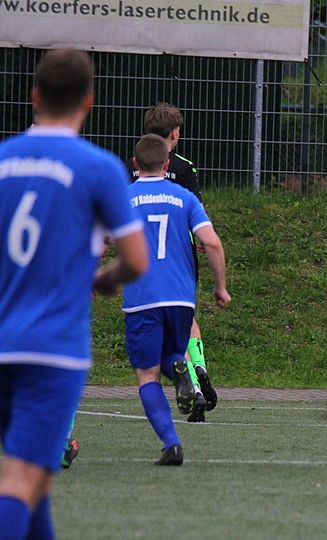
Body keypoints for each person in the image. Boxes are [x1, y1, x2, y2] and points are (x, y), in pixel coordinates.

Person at [0, 48, 148, 540]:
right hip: (51, 348)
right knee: (21, 478)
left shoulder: (3, 160)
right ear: (89, 100)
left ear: (34, 96)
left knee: (36, 479)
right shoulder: (98, 168)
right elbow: (137, 260)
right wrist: (105, 278)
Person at [124, 133, 231, 465]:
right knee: (172, 353)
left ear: (136, 164)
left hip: (142, 297)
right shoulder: (184, 197)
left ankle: (171, 443)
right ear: (167, 163)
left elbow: (99, 241)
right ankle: (183, 373)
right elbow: (212, 243)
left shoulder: (124, 197)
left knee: (147, 375)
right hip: (182, 299)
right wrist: (220, 287)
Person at [126, 102, 217, 423]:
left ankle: (190, 383)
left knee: (156, 342)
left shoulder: (131, 168)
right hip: (180, 259)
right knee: (187, 319)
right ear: (175, 134)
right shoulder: (184, 168)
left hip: (142, 263)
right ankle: (199, 367)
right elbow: (196, 216)